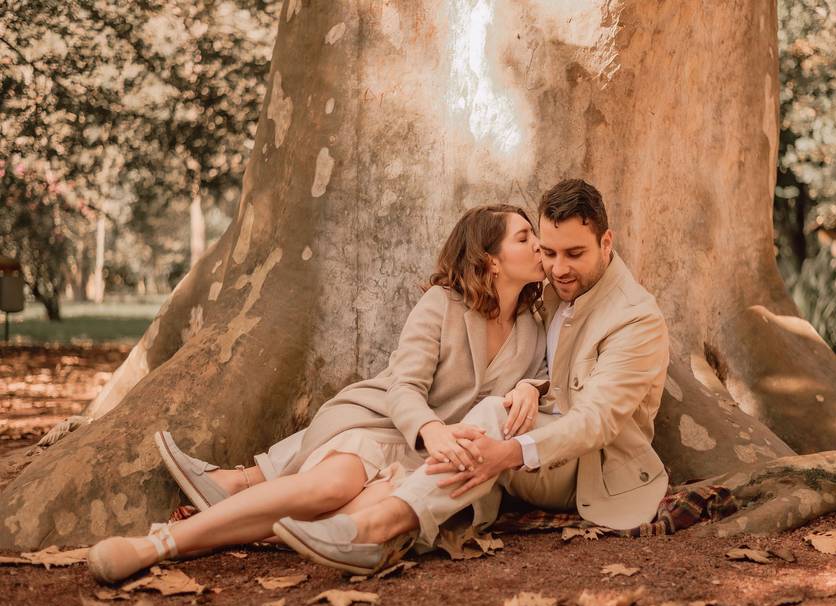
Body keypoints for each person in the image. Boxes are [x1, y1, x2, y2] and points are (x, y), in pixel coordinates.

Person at [87, 204, 551, 583]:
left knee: (351, 519)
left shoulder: (534, 326)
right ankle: (157, 545)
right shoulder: (441, 304)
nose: (538, 245)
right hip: (386, 426)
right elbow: (404, 387)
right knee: (327, 487)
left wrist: (532, 385)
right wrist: (431, 429)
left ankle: (214, 523)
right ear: (491, 259)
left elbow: (552, 375)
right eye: (524, 237)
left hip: (445, 466)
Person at [269, 179, 671, 575]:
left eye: (574, 253)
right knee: (469, 427)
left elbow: (594, 421)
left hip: (589, 469)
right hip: (529, 438)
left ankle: (377, 527)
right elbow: (544, 368)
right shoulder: (548, 291)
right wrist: (528, 388)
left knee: (490, 416)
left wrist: (508, 454)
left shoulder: (635, 317)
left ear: (606, 243)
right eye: (548, 252)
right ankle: (292, 511)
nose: (558, 268)